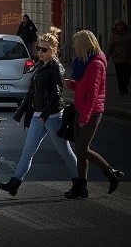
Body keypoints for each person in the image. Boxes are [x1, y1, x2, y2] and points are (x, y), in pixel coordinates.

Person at [0, 27, 79, 198]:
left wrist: (45, 115)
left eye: (44, 49)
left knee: (64, 150)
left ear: (53, 50)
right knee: (28, 150)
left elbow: (57, 94)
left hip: (52, 116)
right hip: (37, 114)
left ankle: (79, 182)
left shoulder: (56, 67)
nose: (40, 52)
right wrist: (25, 111)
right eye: (38, 48)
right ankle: (15, 183)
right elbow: (33, 91)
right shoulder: (41, 65)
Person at [65, 30, 124, 197]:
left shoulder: (96, 63)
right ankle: (81, 187)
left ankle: (112, 173)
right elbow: (84, 87)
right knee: (79, 150)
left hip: (91, 111)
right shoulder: (84, 61)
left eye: (76, 44)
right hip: (79, 108)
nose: (74, 47)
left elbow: (93, 93)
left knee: (83, 149)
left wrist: (85, 117)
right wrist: (72, 85)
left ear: (83, 45)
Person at [105, 19, 131, 95]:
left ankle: (125, 87)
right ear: (116, 27)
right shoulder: (114, 35)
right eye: (118, 25)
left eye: (120, 25)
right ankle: (121, 90)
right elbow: (110, 46)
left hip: (128, 57)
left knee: (127, 74)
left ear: (123, 25)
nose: (119, 27)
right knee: (120, 75)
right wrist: (106, 56)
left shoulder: (128, 33)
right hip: (118, 57)